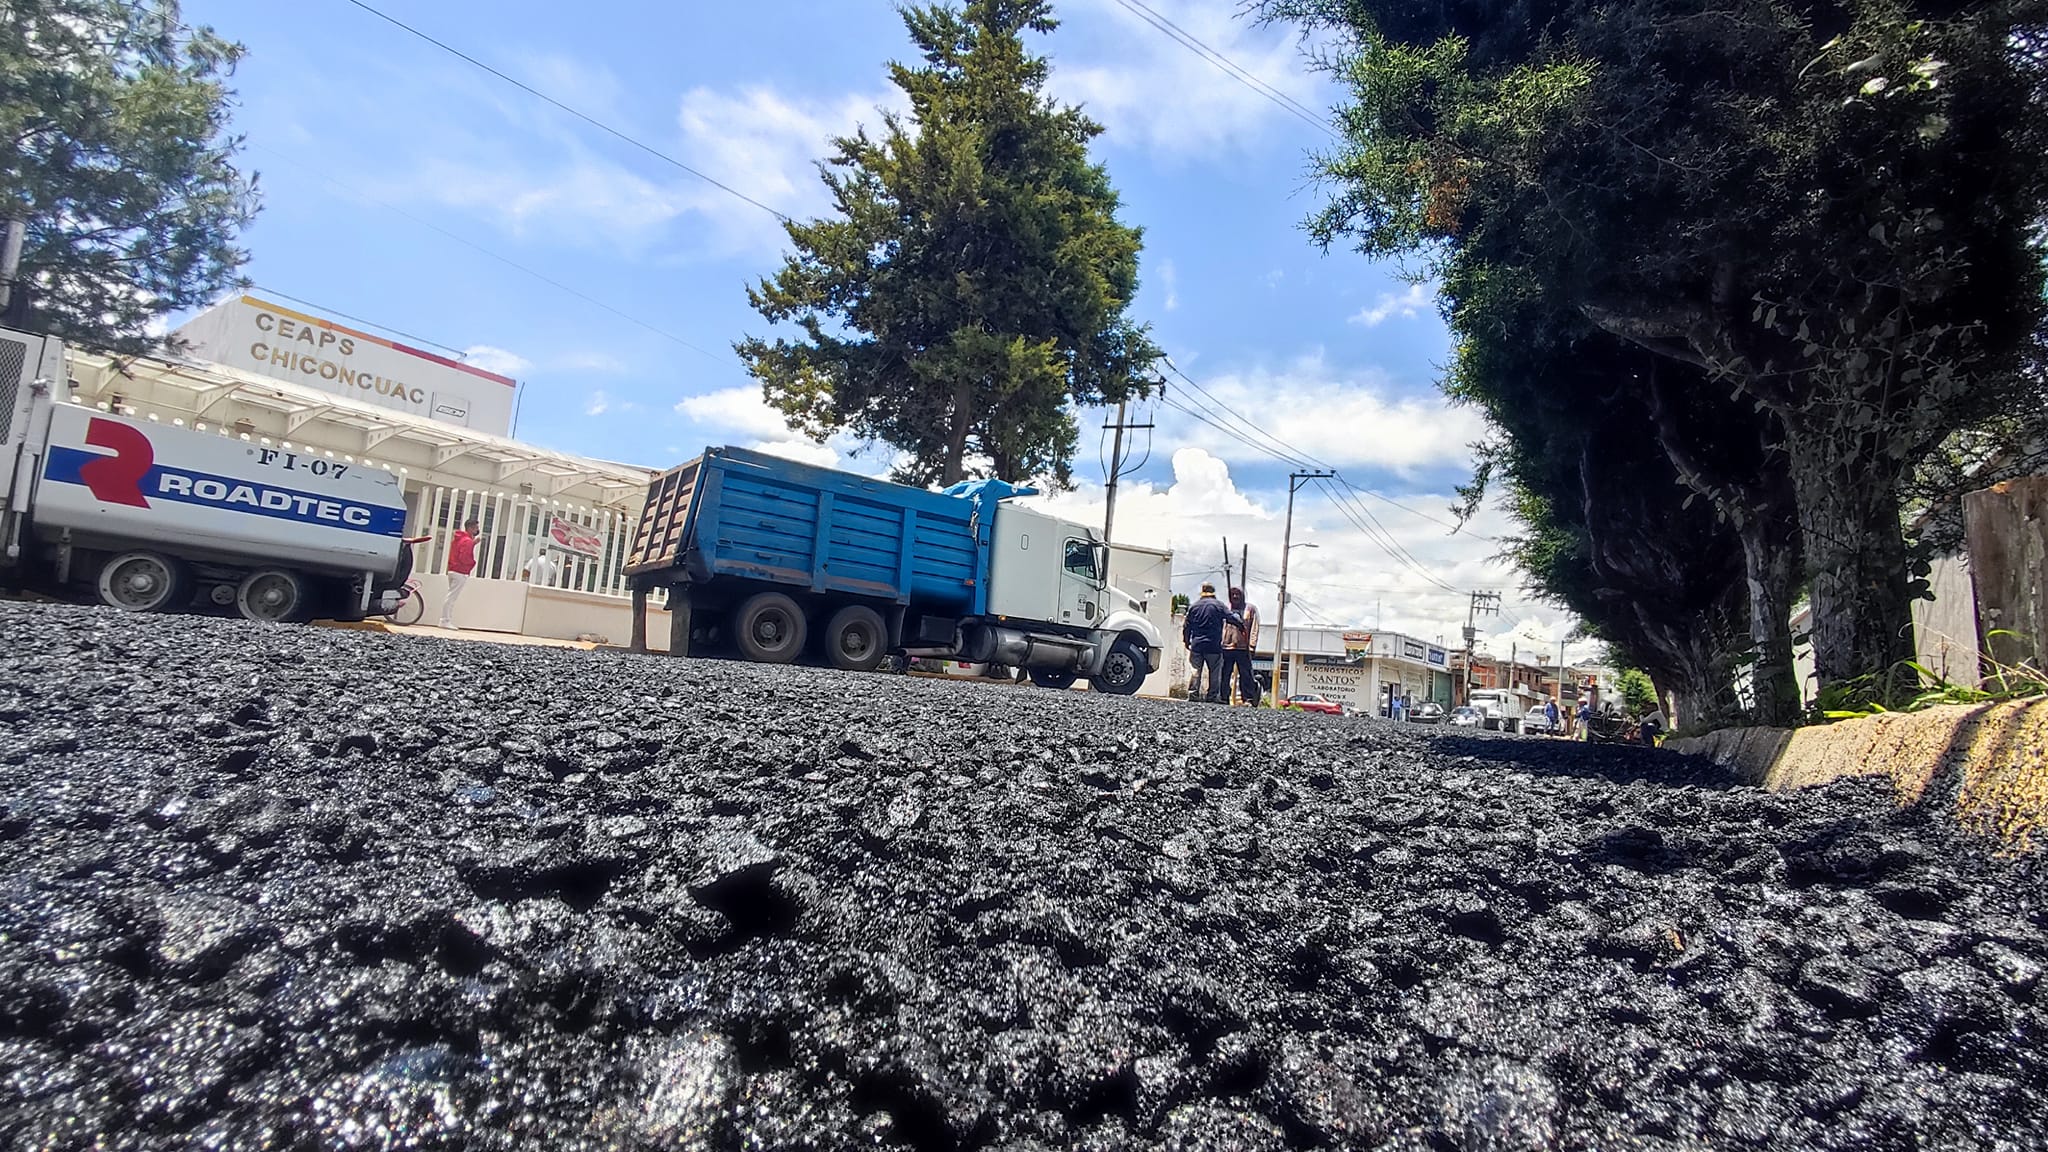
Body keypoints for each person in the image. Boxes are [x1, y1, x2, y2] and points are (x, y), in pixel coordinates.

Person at [1181, 583, 1243, 704]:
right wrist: (1241, 625)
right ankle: (1212, 696)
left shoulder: (1194, 606)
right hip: (1213, 645)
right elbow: (1232, 618)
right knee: (1214, 672)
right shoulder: (1219, 605)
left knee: (1195, 671)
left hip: (1197, 644)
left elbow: (1186, 626)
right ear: (1213, 593)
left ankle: (1193, 694)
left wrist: (1186, 640)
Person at [1220, 587, 1262, 707]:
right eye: (1232, 594)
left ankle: (1248, 698)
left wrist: (1252, 645)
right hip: (1226, 647)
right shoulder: (1226, 609)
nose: (1235, 597)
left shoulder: (1250, 609)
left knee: (1246, 674)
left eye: (1237, 594)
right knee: (1224, 674)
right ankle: (1223, 698)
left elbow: (1255, 627)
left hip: (1243, 648)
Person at [441, 518, 480, 629]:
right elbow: (465, 557)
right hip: (460, 571)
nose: (477, 530)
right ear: (471, 528)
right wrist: (472, 564)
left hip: (453, 569)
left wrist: (473, 543)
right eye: (476, 528)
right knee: (452, 597)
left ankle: (445, 619)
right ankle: (445, 620)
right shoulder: (467, 541)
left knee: (450, 596)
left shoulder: (460, 539)